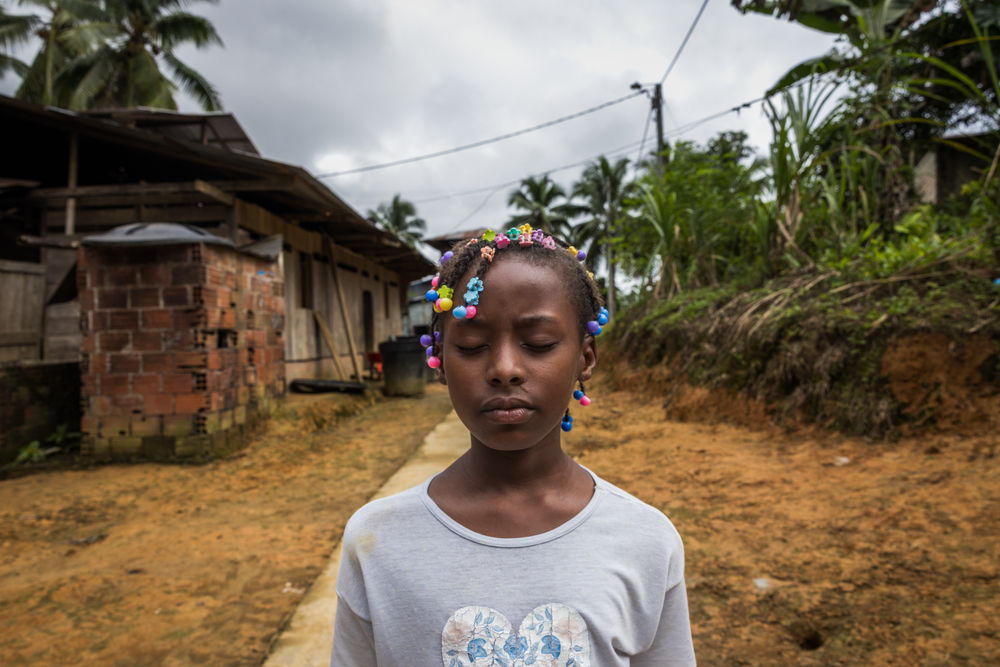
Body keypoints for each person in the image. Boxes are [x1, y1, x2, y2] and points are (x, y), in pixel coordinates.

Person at [331, 225, 696, 666]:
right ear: (440, 361)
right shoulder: (378, 540)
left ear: (585, 358)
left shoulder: (645, 541)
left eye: (538, 344)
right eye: (471, 345)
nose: (505, 369)